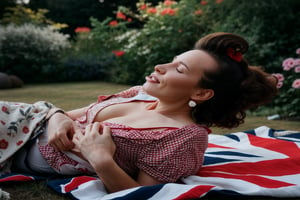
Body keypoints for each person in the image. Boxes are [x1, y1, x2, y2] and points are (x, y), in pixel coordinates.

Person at [1, 32, 278, 193]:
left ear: (201, 93)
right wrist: (57, 117)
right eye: (171, 61)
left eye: (178, 69)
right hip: (22, 121)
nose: (160, 66)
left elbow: (142, 194)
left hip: (16, 151)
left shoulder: (184, 138)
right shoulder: (139, 93)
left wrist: (101, 159)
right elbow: (64, 114)